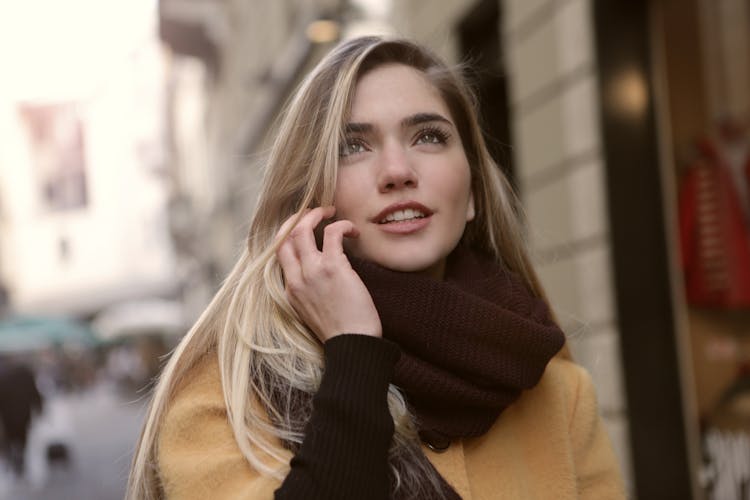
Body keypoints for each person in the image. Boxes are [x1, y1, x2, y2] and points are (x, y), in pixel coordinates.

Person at [127, 36, 625, 499]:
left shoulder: (559, 395)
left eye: (428, 136)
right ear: (310, 197)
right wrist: (355, 354)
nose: (397, 171)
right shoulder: (227, 402)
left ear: (471, 191)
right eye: (353, 147)